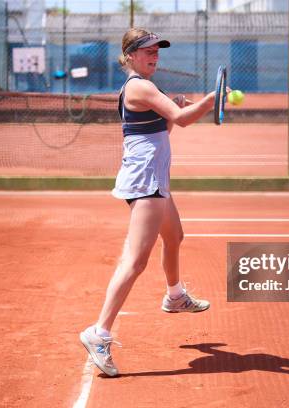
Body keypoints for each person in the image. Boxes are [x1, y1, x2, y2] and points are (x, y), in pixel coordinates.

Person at [79, 28, 220, 377]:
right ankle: (99, 333)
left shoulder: (145, 86)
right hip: (145, 182)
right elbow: (183, 121)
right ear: (130, 56)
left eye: (157, 49)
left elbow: (164, 129)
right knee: (135, 261)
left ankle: (174, 296)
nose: (154, 55)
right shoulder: (139, 86)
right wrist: (212, 100)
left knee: (174, 237)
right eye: (146, 50)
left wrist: (179, 110)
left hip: (153, 178)